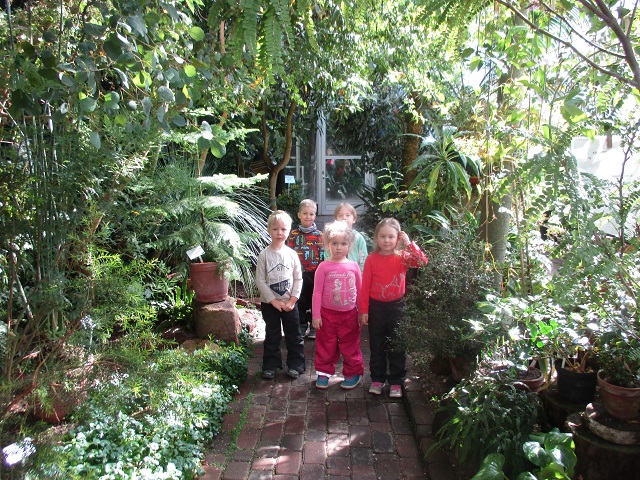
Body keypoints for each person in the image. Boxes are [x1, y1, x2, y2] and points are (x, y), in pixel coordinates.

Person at [359, 218, 428, 398]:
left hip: (397, 307)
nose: (387, 240)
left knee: (397, 345)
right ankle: (377, 379)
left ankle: (396, 381)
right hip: (376, 308)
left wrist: (410, 244)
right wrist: (364, 310)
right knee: (377, 345)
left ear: (398, 238)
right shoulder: (372, 259)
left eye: (391, 236)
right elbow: (365, 286)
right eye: (383, 236)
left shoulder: (403, 257)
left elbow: (422, 261)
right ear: (376, 237)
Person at [311, 221, 363, 390]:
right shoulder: (323, 267)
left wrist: (362, 312)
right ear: (327, 244)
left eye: (343, 243)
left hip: (350, 315)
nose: (339, 247)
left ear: (349, 245)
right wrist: (316, 315)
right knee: (326, 344)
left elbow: (360, 291)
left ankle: (353, 372)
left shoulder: (354, 267)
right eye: (334, 243)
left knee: (350, 345)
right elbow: (317, 292)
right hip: (327, 315)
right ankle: (323, 372)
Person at [256, 210, 305, 380]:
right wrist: (273, 300)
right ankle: (271, 365)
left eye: (283, 229)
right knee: (272, 335)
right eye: (275, 229)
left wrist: (293, 300)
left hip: (290, 304)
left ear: (289, 231)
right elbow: (260, 280)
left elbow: (298, 278)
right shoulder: (264, 255)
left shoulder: (291, 255)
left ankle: (296, 365)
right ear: (269, 230)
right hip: (270, 305)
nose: (279, 233)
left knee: (294, 335)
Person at [287, 199, 324, 339]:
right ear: (299, 215)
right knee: (300, 299)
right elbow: (289, 252)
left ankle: (314, 326)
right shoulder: (294, 234)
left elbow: (323, 254)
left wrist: (322, 270)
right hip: (299, 273)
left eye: (311, 214)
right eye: (305, 213)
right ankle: (302, 324)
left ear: (315, 216)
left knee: (315, 299)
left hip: (315, 273)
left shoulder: (319, 235)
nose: (308, 216)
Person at [332, 202, 368, 271]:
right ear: (336, 219)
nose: (344, 218)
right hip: (335, 274)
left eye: (348, 215)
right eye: (340, 215)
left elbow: (364, 260)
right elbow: (327, 256)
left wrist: (360, 273)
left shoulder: (358, 238)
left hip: (354, 274)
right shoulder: (332, 237)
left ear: (354, 219)